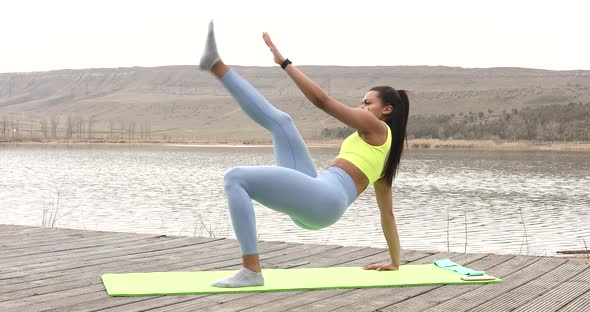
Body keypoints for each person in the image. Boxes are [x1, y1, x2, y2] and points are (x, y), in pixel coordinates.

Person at [199, 21, 410, 288]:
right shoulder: (385, 153)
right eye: (361, 102)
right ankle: (218, 66)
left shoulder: (376, 127)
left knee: (236, 178)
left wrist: (284, 63)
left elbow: (322, 101)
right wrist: (395, 261)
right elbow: (387, 214)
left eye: (367, 103)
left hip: (324, 199)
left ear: (387, 110)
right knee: (282, 122)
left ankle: (251, 271)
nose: (361, 107)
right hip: (320, 194)